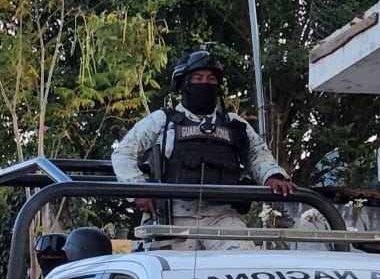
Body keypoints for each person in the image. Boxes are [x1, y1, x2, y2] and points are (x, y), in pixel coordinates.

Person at [111, 49, 298, 251]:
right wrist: (139, 191)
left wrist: (273, 176)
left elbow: (258, 155)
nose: (205, 83)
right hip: (172, 217)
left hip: (223, 217)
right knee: (170, 274)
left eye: (211, 79)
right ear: (183, 84)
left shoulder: (234, 124)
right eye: (198, 78)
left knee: (243, 262)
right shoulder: (162, 121)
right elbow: (123, 154)